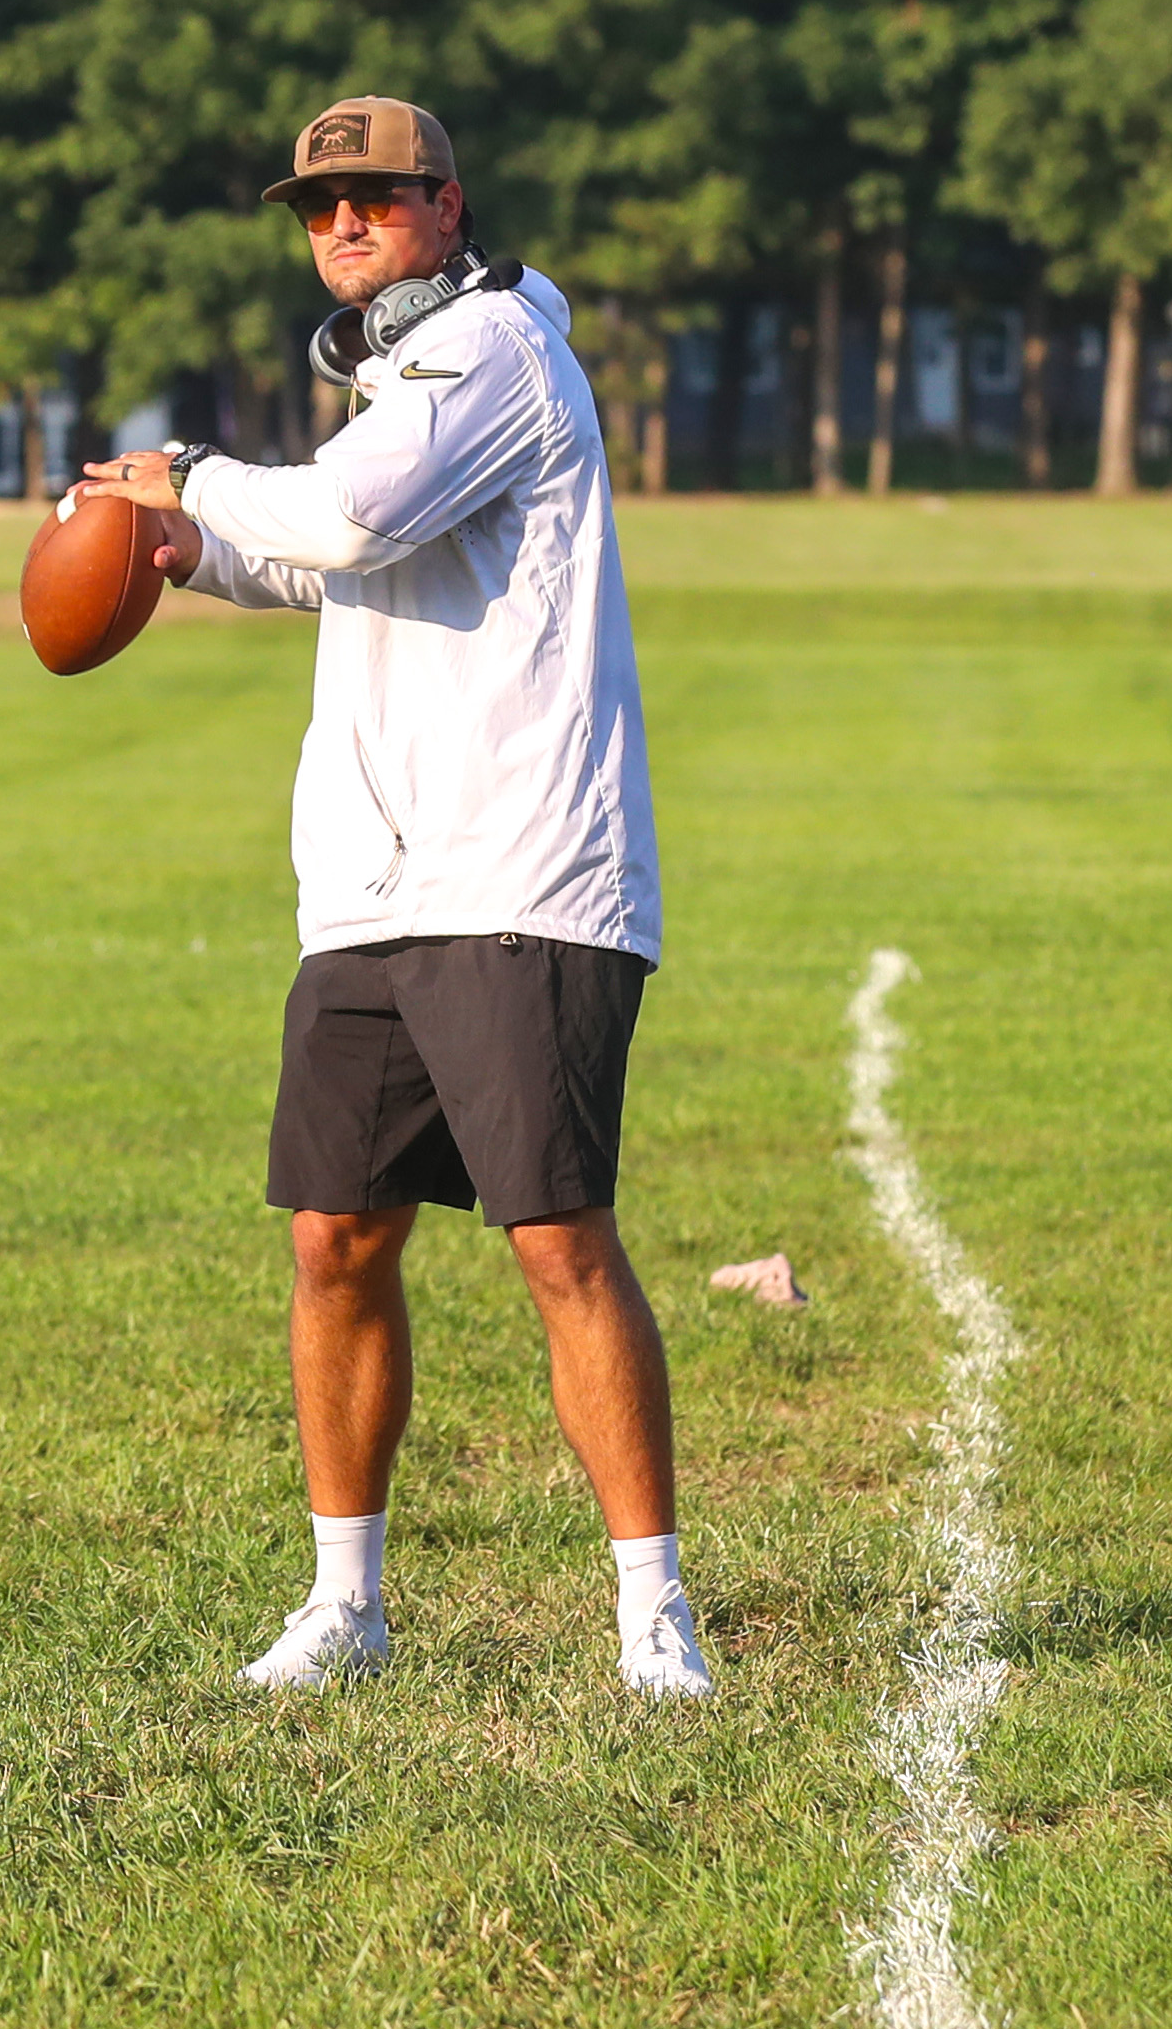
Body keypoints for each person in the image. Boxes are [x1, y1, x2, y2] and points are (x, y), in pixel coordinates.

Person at [69, 97, 707, 1702]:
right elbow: (327, 555)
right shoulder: (393, 377)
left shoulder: (489, 348)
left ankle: (654, 1618)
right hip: (370, 883)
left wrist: (192, 472)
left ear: (446, 203)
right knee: (334, 1239)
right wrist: (177, 545)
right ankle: (345, 1607)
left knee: (559, 1243)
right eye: (318, 204)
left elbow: (346, 512)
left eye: (375, 197)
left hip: (521, 870)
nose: (343, 224)